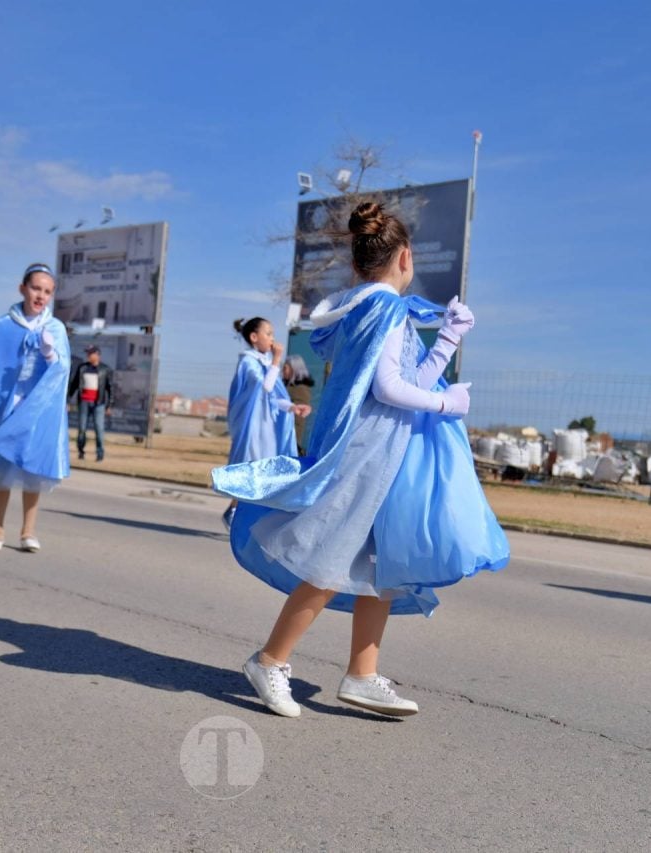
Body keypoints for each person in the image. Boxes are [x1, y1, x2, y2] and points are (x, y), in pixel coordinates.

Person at [212, 201, 509, 719]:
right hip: (370, 455)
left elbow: (406, 378)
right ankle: (270, 660)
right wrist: (448, 402)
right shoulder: (387, 309)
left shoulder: (364, 307)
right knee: (330, 559)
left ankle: (363, 674)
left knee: (380, 563)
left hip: (383, 454)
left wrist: (448, 340)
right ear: (406, 256)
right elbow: (393, 388)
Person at [0, 262, 70, 553]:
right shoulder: (3, 325)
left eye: (47, 291)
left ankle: (28, 531)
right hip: (8, 405)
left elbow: (62, 371)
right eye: (36, 288)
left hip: (37, 408)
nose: (40, 296)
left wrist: (50, 354)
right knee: (3, 471)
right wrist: (2, 393)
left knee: (33, 470)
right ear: (23, 288)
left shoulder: (55, 328)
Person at [221, 316, 311, 529]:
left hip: (267, 428)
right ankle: (235, 511)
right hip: (254, 428)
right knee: (251, 468)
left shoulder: (263, 363)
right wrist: (276, 360)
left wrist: (292, 407)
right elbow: (264, 388)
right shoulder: (248, 362)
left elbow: (271, 398)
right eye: (268, 333)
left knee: (264, 471)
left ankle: (243, 515)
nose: (272, 339)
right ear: (254, 337)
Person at [68, 343, 114, 461]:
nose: (88, 356)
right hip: (84, 402)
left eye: (91, 353)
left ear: (97, 354)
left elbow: (110, 389)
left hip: (98, 403)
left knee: (99, 429)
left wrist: (109, 405)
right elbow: (74, 385)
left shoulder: (105, 369)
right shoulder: (82, 368)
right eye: (87, 353)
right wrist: (68, 400)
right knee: (82, 429)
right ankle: (81, 451)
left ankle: (100, 453)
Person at [282, 354, 315, 455]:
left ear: (294, 369)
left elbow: (299, 415)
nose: (282, 371)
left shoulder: (300, 388)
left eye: (285, 368)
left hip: (291, 434)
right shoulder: (287, 386)